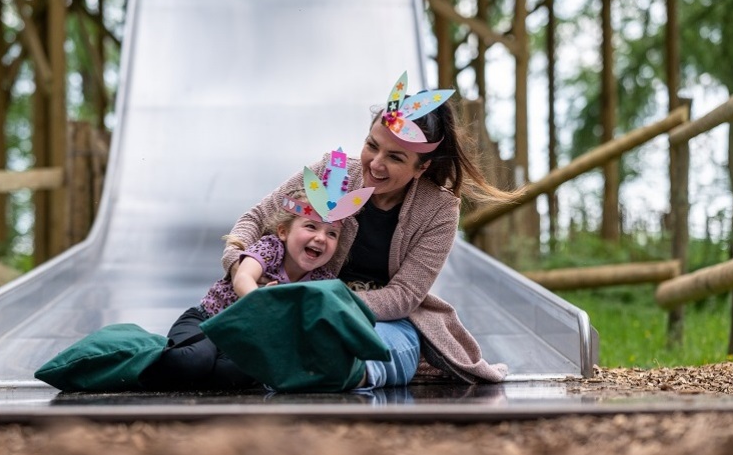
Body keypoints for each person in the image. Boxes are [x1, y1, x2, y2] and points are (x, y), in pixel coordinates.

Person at [222, 72, 517, 388]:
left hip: (381, 319)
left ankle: (342, 371)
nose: (376, 163)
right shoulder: (333, 173)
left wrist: (325, 304)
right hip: (301, 309)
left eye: (395, 157)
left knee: (383, 347)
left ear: (422, 167)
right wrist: (239, 266)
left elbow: (404, 296)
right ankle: (302, 366)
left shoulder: (438, 210)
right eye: (371, 146)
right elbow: (254, 219)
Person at [142, 154, 374, 390]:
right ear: (283, 232)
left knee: (233, 375)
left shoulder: (321, 281)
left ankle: (192, 373)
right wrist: (261, 300)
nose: (320, 238)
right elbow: (243, 277)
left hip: (242, 339)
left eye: (331, 233)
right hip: (208, 321)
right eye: (311, 226)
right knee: (194, 360)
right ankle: (140, 364)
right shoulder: (271, 248)